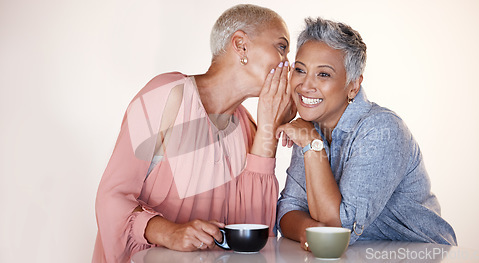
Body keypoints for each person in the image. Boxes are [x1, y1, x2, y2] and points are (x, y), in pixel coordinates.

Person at [93, 4, 295, 262]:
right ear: (241, 45)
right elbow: (111, 196)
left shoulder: (251, 128)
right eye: (281, 47)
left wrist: (269, 128)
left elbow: (253, 236)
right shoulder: (168, 94)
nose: (288, 64)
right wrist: (168, 232)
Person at [276, 17, 457, 250]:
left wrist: (313, 145)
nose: (305, 85)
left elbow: (338, 230)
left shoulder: (382, 130)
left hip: (421, 253)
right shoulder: (310, 126)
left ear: (353, 86)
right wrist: (310, 231)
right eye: (300, 70)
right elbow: (287, 210)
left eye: (323, 74)